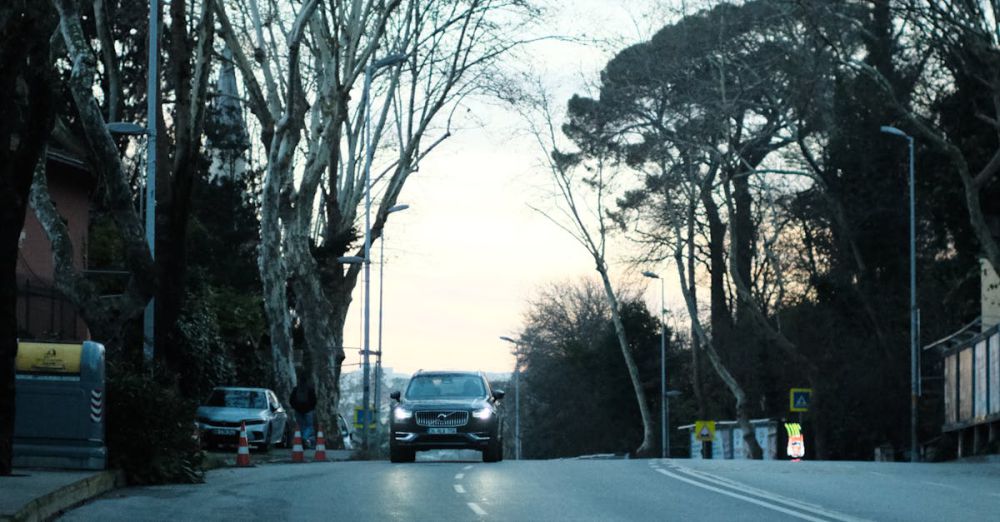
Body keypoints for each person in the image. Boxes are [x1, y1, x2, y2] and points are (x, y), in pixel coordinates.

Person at [290, 374, 317, 448]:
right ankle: (304, 438)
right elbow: (314, 400)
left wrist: (295, 407)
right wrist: (311, 408)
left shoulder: (296, 389)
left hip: (298, 411)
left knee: (301, 426)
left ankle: (301, 440)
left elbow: (291, 400)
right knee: (309, 426)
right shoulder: (310, 389)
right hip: (308, 411)